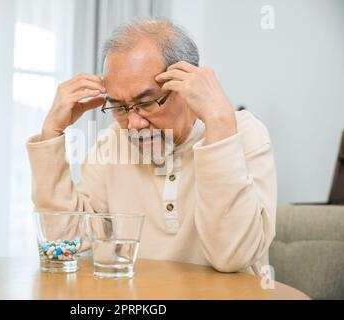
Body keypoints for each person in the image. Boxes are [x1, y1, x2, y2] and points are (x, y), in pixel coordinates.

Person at [26, 18, 277, 274]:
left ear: (187, 86)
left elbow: (231, 256)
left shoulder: (242, 133)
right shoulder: (113, 142)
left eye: (146, 103)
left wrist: (220, 124)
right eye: (119, 107)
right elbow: (63, 242)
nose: (133, 124)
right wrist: (51, 135)